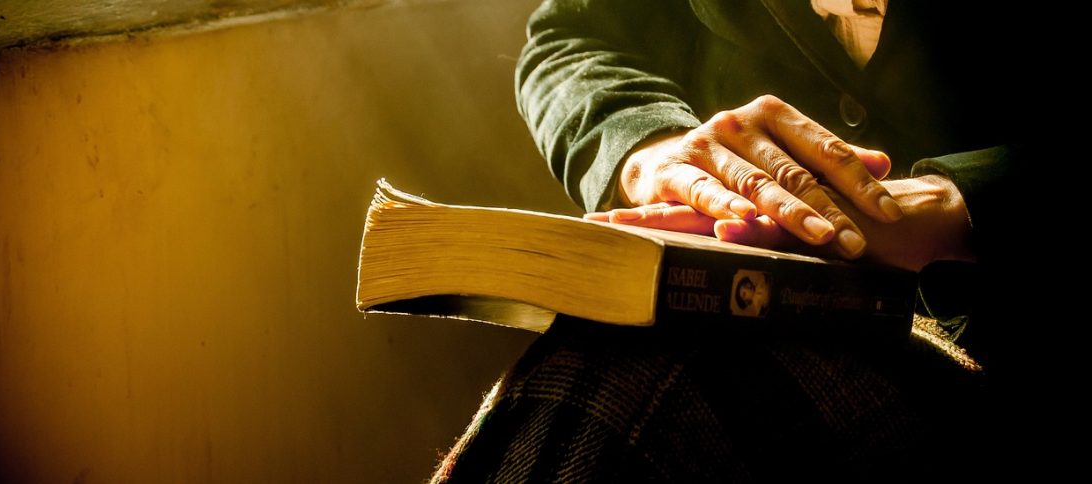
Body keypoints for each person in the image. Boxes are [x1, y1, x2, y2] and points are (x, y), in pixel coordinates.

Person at [432, 1, 1053, 481]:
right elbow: (569, 40)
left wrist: (955, 203)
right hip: (776, 306)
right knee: (605, 372)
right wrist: (650, 151)